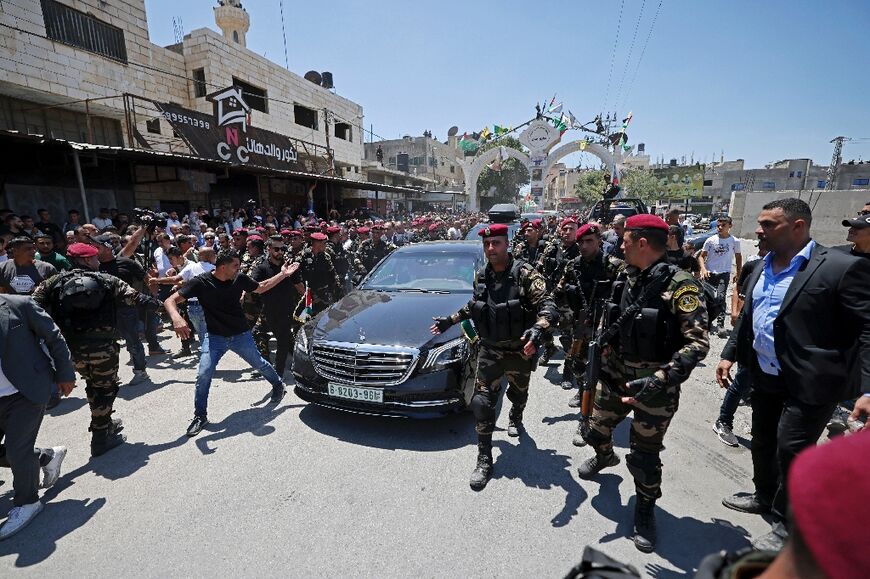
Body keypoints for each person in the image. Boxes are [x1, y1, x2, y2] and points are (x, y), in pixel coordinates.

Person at [717, 198, 870, 550]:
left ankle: (789, 525)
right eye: (760, 223)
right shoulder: (759, 266)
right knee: (763, 440)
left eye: (769, 224)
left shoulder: (839, 267)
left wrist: (867, 389)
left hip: (813, 381)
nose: (759, 230)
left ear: (798, 227)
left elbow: (866, 330)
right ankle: (764, 495)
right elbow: (749, 319)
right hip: (765, 373)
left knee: (792, 449)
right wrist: (729, 355)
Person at [575, 214, 709, 553]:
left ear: (643, 244)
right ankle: (605, 457)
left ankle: (645, 509)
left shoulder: (681, 285)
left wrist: (661, 378)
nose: (620, 244)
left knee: (644, 456)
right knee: (593, 428)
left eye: (626, 240)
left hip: (655, 383)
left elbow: (698, 343)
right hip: (616, 374)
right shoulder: (626, 273)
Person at [429, 224, 558, 491]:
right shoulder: (481, 276)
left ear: (506, 244)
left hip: (519, 350)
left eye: (496, 243)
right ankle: (484, 458)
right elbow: (475, 306)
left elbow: (547, 304)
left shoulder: (525, 274)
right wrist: (449, 321)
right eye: (487, 244)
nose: (491, 249)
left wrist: (538, 328)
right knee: (482, 403)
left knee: (519, 393)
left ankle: (516, 416)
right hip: (489, 351)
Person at [32, 243, 162, 456]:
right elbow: (137, 299)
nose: (98, 262)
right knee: (104, 389)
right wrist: (165, 306)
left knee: (93, 385)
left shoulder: (52, 283)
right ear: (84, 260)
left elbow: (32, 308)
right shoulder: (106, 280)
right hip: (103, 348)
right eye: (94, 258)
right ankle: (101, 438)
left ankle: (104, 421)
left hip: (70, 350)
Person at [164, 250, 300, 438]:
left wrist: (283, 274)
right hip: (214, 338)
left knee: (259, 363)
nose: (239, 268)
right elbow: (170, 300)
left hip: (240, 335)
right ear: (222, 267)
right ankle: (200, 416)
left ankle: (278, 385)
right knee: (203, 374)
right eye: (235, 265)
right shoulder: (201, 282)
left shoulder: (239, 278)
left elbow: (261, 286)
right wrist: (176, 317)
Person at [0, 295, 75, 540]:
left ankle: (27, 502)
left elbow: (54, 336)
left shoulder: (18, 305)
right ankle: (45, 457)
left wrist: (65, 372)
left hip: (25, 391)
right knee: (17, 451)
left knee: (16, 450)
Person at [556, 223, 623, 414]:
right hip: (581, 324)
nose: (584, 246)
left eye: (589, 241)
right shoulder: (573, 266)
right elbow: (559, 292)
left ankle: (593, 410)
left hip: (606, 326)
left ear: (599, 242)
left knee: (601, 370)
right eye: (581, 242)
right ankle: (582, 389)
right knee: (577, 363)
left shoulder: (614, 266)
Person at [713, 238, 769, 447]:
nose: (761, 245)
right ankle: (724, 421)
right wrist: (729, 353)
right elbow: (741, 294)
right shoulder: (755, 266)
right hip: (752, 341)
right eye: (760, 243)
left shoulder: (799, 270)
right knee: (741, 382)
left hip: (778, 351)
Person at [536, 218, 580, 384]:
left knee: (568, 339)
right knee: (543, 330)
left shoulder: (580, 251)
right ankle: (549, 349)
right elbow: (538, 268)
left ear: (577, 231)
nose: (567, 232)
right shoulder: (552, 248)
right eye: (565, 229)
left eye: (571, 229)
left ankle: (568, 373)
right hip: (550, 298)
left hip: (569, 302)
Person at [251, 238, 298, 378]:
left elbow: (299, 285)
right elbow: (257, 288)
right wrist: (283, 274)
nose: (280, 252)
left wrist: (308, 301)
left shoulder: (289, 266)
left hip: (286, 310)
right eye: (276, 249)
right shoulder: (262, 267)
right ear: (269, 249)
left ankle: (278, 372)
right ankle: (268, 365)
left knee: (282, 342)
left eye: (282, 249)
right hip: (269, 310)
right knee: (259, 333)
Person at [698, 216, 742, 336]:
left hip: (724, 273)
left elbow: (738, 257)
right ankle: (706, 323)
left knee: (721, 298)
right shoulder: (711, 240)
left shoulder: (734, 241)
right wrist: (703, 268)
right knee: (707, 298)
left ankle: (720, 324)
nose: (720, 228)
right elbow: (701, 256)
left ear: (730, 226)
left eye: (723, 225)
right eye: (718, 225)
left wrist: (739, 272)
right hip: (710, 273)